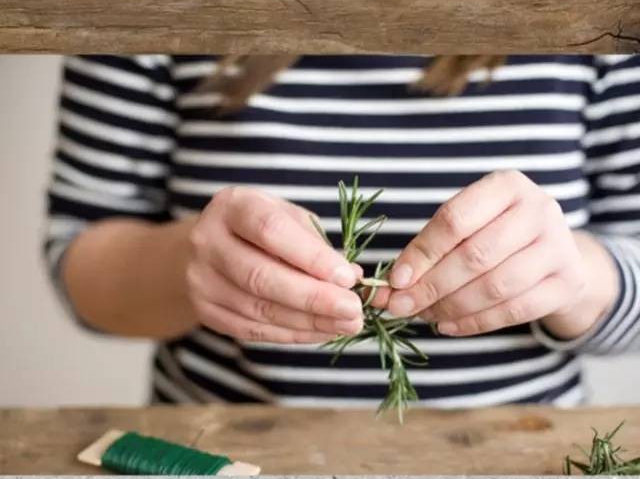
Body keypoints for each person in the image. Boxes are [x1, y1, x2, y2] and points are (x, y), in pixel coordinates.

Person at [45, 52, 640, 411]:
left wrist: (577, 277)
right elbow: (76, 261)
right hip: (224, 459)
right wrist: (189, 263)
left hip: (521, 467)